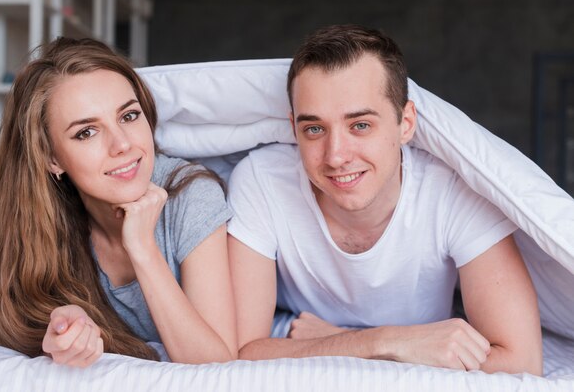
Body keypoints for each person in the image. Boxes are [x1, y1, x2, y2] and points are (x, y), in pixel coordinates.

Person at [227, 24, 543, 375]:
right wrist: (386, 342)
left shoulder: (455, 191)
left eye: (360, 125)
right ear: (293, 129)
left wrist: (334, 341)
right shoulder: (262, 181)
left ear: (405, 123)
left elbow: (522, 361)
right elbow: (239, 350)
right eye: (314, 129)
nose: (336, 156)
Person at [0, 37, 237, 367]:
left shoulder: (189, 194)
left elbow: (216, 363)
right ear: (53, 159)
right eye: (87, 132)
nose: (122, 144)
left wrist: (142, 248)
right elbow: (14, 314)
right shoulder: (42, 222)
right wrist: (62, 325)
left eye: (128, 116)